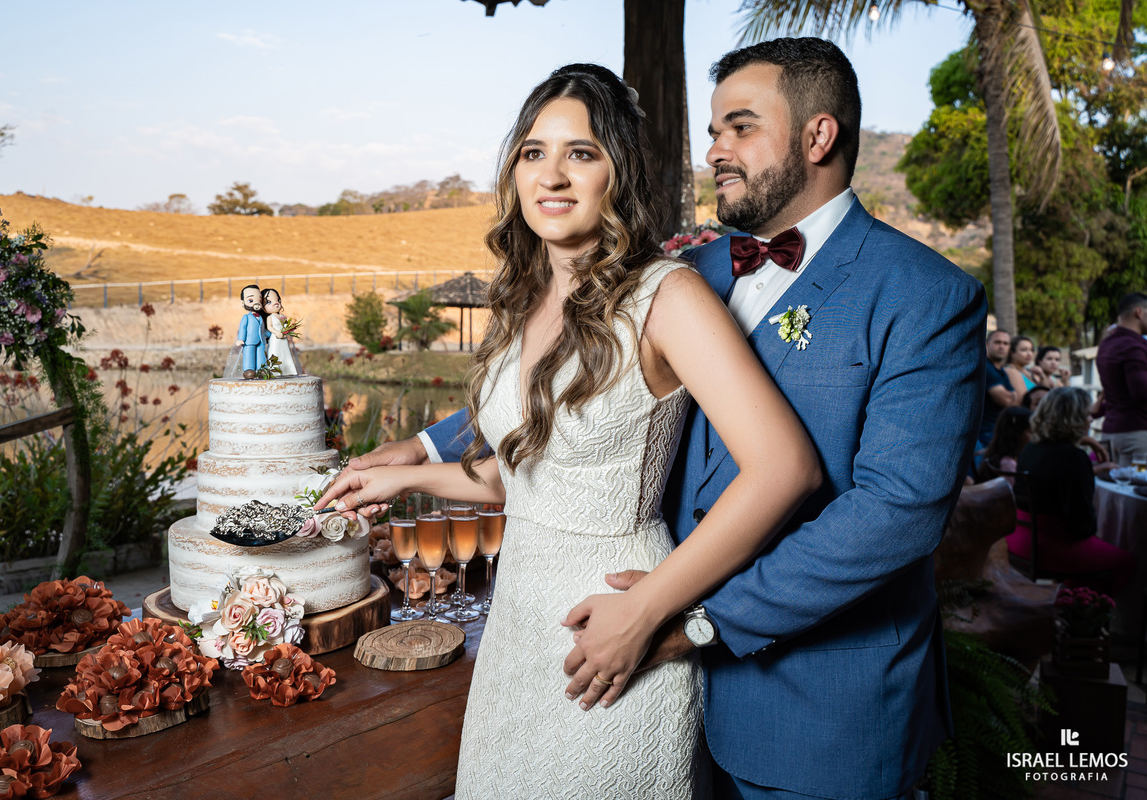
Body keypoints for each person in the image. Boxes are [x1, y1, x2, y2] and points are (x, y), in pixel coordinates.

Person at [343, 38, 986, 800]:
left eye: (740, 127)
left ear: (818, 136)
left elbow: (896, 515)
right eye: (713, 130)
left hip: (811, 705)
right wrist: (415, 451)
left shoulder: (922, 294)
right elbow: (564, 396)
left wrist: (684, 620)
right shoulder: (692, 270)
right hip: (626, 646)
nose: (714, 149)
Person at [317, 63, 820, 799]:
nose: (552, 174)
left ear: (618, 171)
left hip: (610, 628)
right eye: (533, 152)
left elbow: (785, 468)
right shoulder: (522, 302)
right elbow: (524, 477)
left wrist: (646, 611)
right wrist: (401, 476)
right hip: (515, 628)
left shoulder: (666, 296)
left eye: (580, 153)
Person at [1010, 387, 1132, 593]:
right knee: (1127, 561)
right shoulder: (1073, 457)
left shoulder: (1030, 448)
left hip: (1019, 538)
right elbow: (1081, 526)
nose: (1091, 420)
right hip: (1049, 546)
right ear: (1072, 419)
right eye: (1086, 414)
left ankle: (1072, 606)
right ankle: (1114, 623)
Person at [1095, 292, 1147, 466]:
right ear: (1139, 312)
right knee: (1137, 492)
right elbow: (1141, 392)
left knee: (1118, 489)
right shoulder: (1133, 345)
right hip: (1137, 435)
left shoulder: (1106, 344)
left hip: (1110, 432)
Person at [975, 406, 1032, 485]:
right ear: (1016, 434)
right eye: (1030, 432)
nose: (1035, 436)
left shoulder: (1003, 457)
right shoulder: (1008, 464)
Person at [980, 329, 1016, 448]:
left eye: (1005, 344)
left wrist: (1010, 397)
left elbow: (1014, 400)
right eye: (997, 342)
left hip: (997, 430)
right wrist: (1010, 396)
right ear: (987, 344)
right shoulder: (985, 367)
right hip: (985, 433)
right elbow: (1006, 400)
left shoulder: (1000, 370)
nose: (1002, 347)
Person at [262, 288, 301, 376]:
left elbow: (285, 326)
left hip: (283, 339)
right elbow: (269, 327)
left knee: (285, 352)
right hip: (275, 338)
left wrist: (289, 329)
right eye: (269, 302)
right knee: (275, 352)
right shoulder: (270, 317)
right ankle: (274, 371)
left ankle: (288, 369)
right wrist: (276, 332)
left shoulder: (282, 316)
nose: (276, 303)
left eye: (278, 300)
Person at [235, 284, 269, 379]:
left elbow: (262, 329)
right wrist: (241, 338)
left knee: (261, 355)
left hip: (261, 341)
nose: (256, 303)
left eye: (259, 300)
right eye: (251, 300)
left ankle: (262, 369)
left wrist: (271, 334)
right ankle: (249, 369)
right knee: (249, 355)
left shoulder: (261, 317)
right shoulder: (246, 317)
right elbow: (243, 328)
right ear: (243, 303)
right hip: (249, 341)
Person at [1004, 335, 1044, 404]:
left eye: (1031, 350)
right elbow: (1022, 400)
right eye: (1024, 350)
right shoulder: (1010, 370)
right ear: (1012, 352)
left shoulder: (1029, 371)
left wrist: (1042, 375)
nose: (1029, 354)